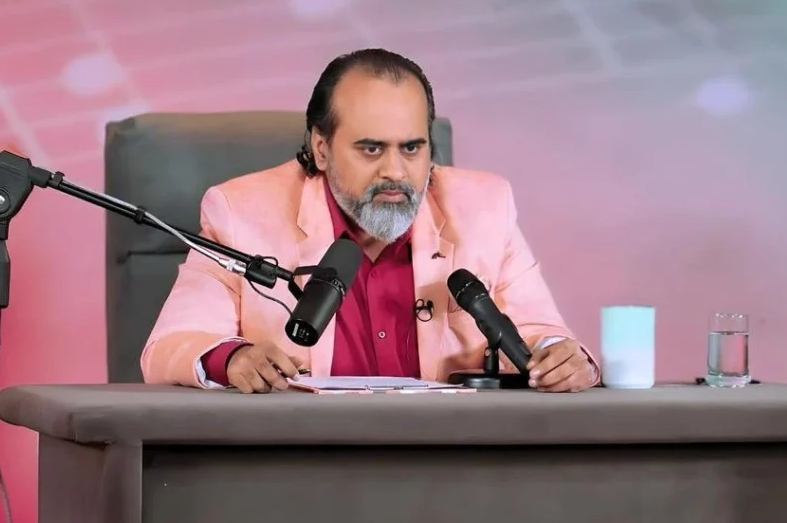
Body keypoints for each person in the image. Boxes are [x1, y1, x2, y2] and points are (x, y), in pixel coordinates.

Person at [141, 48, 600, 394]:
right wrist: (234, 357)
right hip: (299, 466)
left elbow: (545, 336)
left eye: (412, 148)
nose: (396, 172)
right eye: (371, 149)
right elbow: (170, 346)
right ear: (321, 148)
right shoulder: (239, 212)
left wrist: (561, 358)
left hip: (449, 467)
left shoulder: (484, 207)